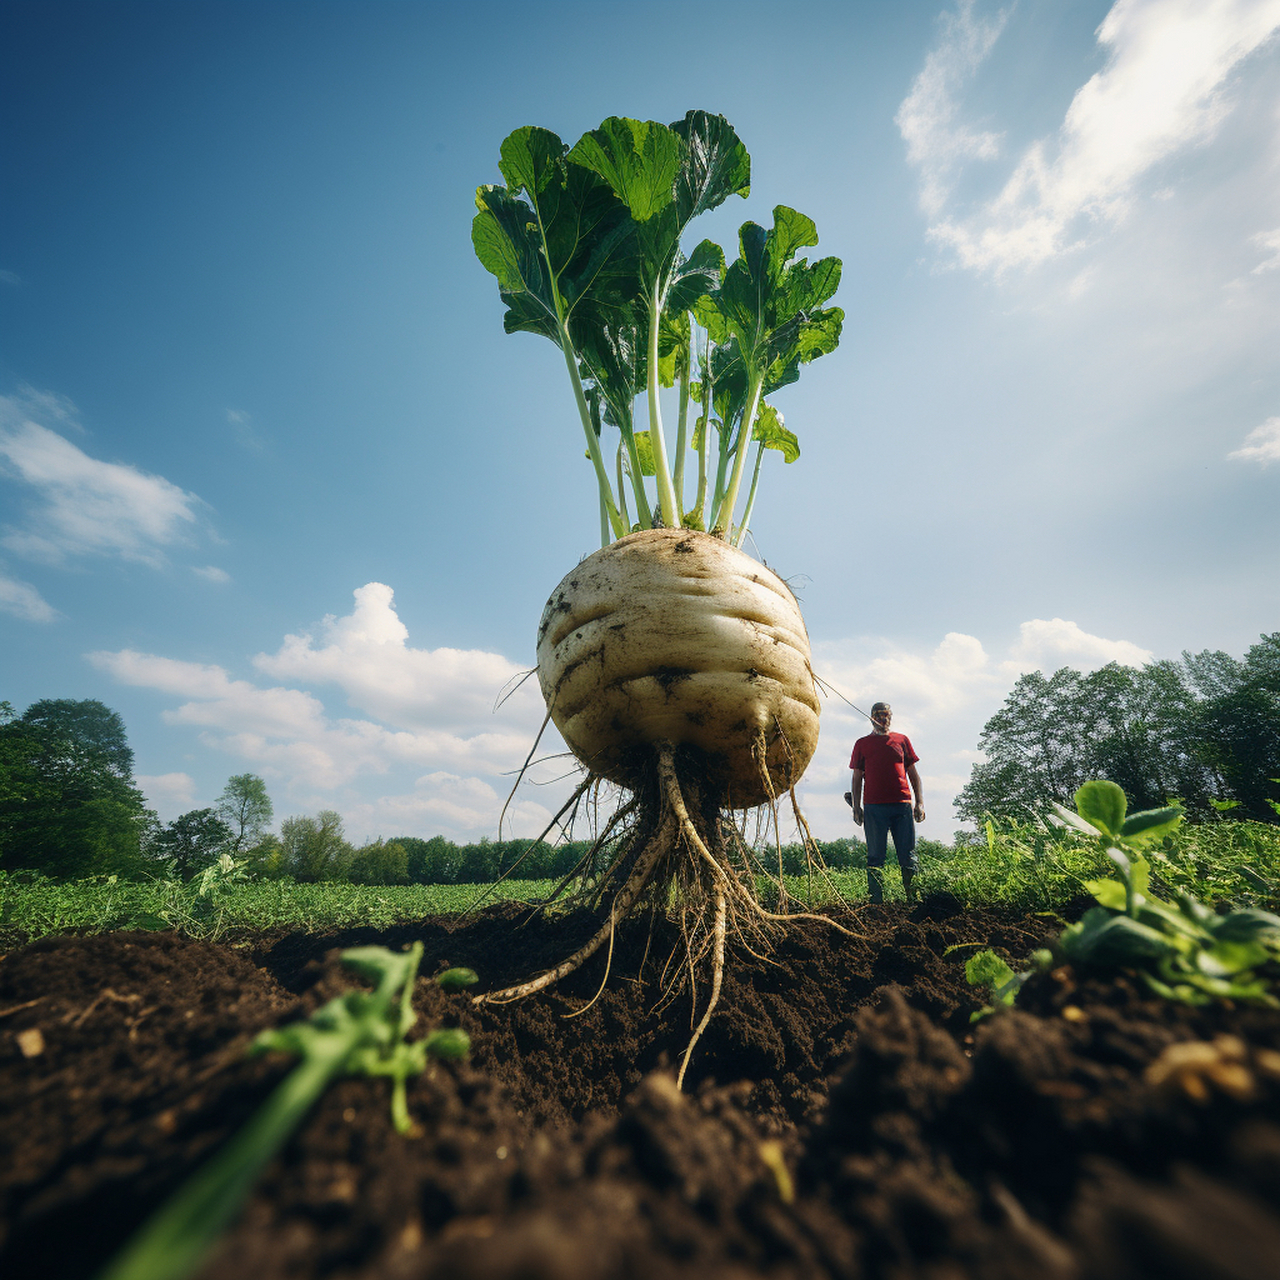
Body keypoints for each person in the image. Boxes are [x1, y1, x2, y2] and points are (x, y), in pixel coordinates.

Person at [847, 702, 925, 903]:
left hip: (902, 804)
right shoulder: (862, 744)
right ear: (871, 717)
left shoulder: (902, 740)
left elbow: (913, 774)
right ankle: (876, 904)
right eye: (880, 715)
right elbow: (856, 777)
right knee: (875, 856)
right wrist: (856, 807)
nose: (884, 719)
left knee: (908, 855)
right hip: (874, 807)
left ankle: (912, 899)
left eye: (888, 715)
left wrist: (920, 803)